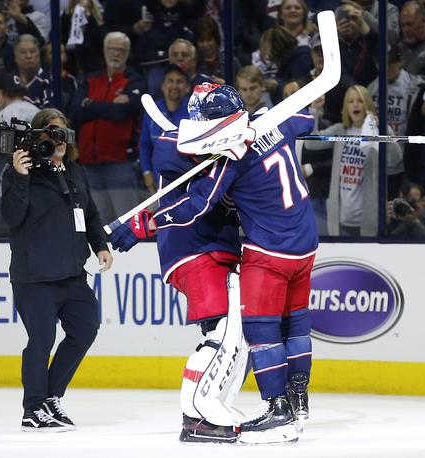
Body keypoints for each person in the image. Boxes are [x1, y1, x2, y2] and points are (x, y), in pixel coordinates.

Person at [110, 84, 316, 443]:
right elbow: (306, 120)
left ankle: (278, 409)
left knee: (260, 330)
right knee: (295, 323)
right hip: (306, 244)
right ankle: (299, 400)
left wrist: (144, 224)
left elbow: (197, 204)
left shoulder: (231, 154)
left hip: (270, 251)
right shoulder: (274, 120)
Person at [115, 87, 244, 443]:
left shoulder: (209, 146)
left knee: (232, 335)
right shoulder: (174, 145)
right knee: (222, 333)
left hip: (212, 248)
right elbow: (193, 197)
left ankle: (212, 405)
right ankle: (196, 416)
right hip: (194, 251)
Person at [1, 108, 113, 431]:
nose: (59, 140)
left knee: (85, 328)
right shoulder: (21, 172)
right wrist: (20, 177)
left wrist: (100, 245)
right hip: (34, 277)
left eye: (64, 133)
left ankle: (50, 397)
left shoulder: (75, 171)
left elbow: (89, 214)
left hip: (72, 275)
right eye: (51, 133)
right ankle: (32, 408)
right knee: (41, 341)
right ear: (37, 137)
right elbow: (11, 217)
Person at [303, 84, 403, 236]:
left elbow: (396, 159)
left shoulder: (375, 133)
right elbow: (311, 143)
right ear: (346, 107)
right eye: (350, 101)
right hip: (339, 217)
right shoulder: (340, 130)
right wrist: (314, 112)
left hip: (369, 217)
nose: (355, 104)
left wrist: (383, 129)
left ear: (367, 105)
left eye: (360, 101)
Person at [69, 31, 147, 225]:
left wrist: (90, 104)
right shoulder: (90, 80)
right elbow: (75, 112)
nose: (116, 54)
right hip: (89, 163)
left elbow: (123, 113)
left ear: (128, 53)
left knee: (127, 221)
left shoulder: (135, 81)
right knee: (97, 220)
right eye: (112, 49)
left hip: (120, 163)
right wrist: (111, 106)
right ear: (104, 51)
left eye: (121, 50)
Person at [139, 64, 190, 195]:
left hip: (188, 183)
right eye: (170, 81)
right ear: (162, 86)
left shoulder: (195, 112)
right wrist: (146, 172)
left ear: (187, 87)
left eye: (179, 81)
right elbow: (145, 145)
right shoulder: (152, 110)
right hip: (158, 185)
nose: (174, 86)